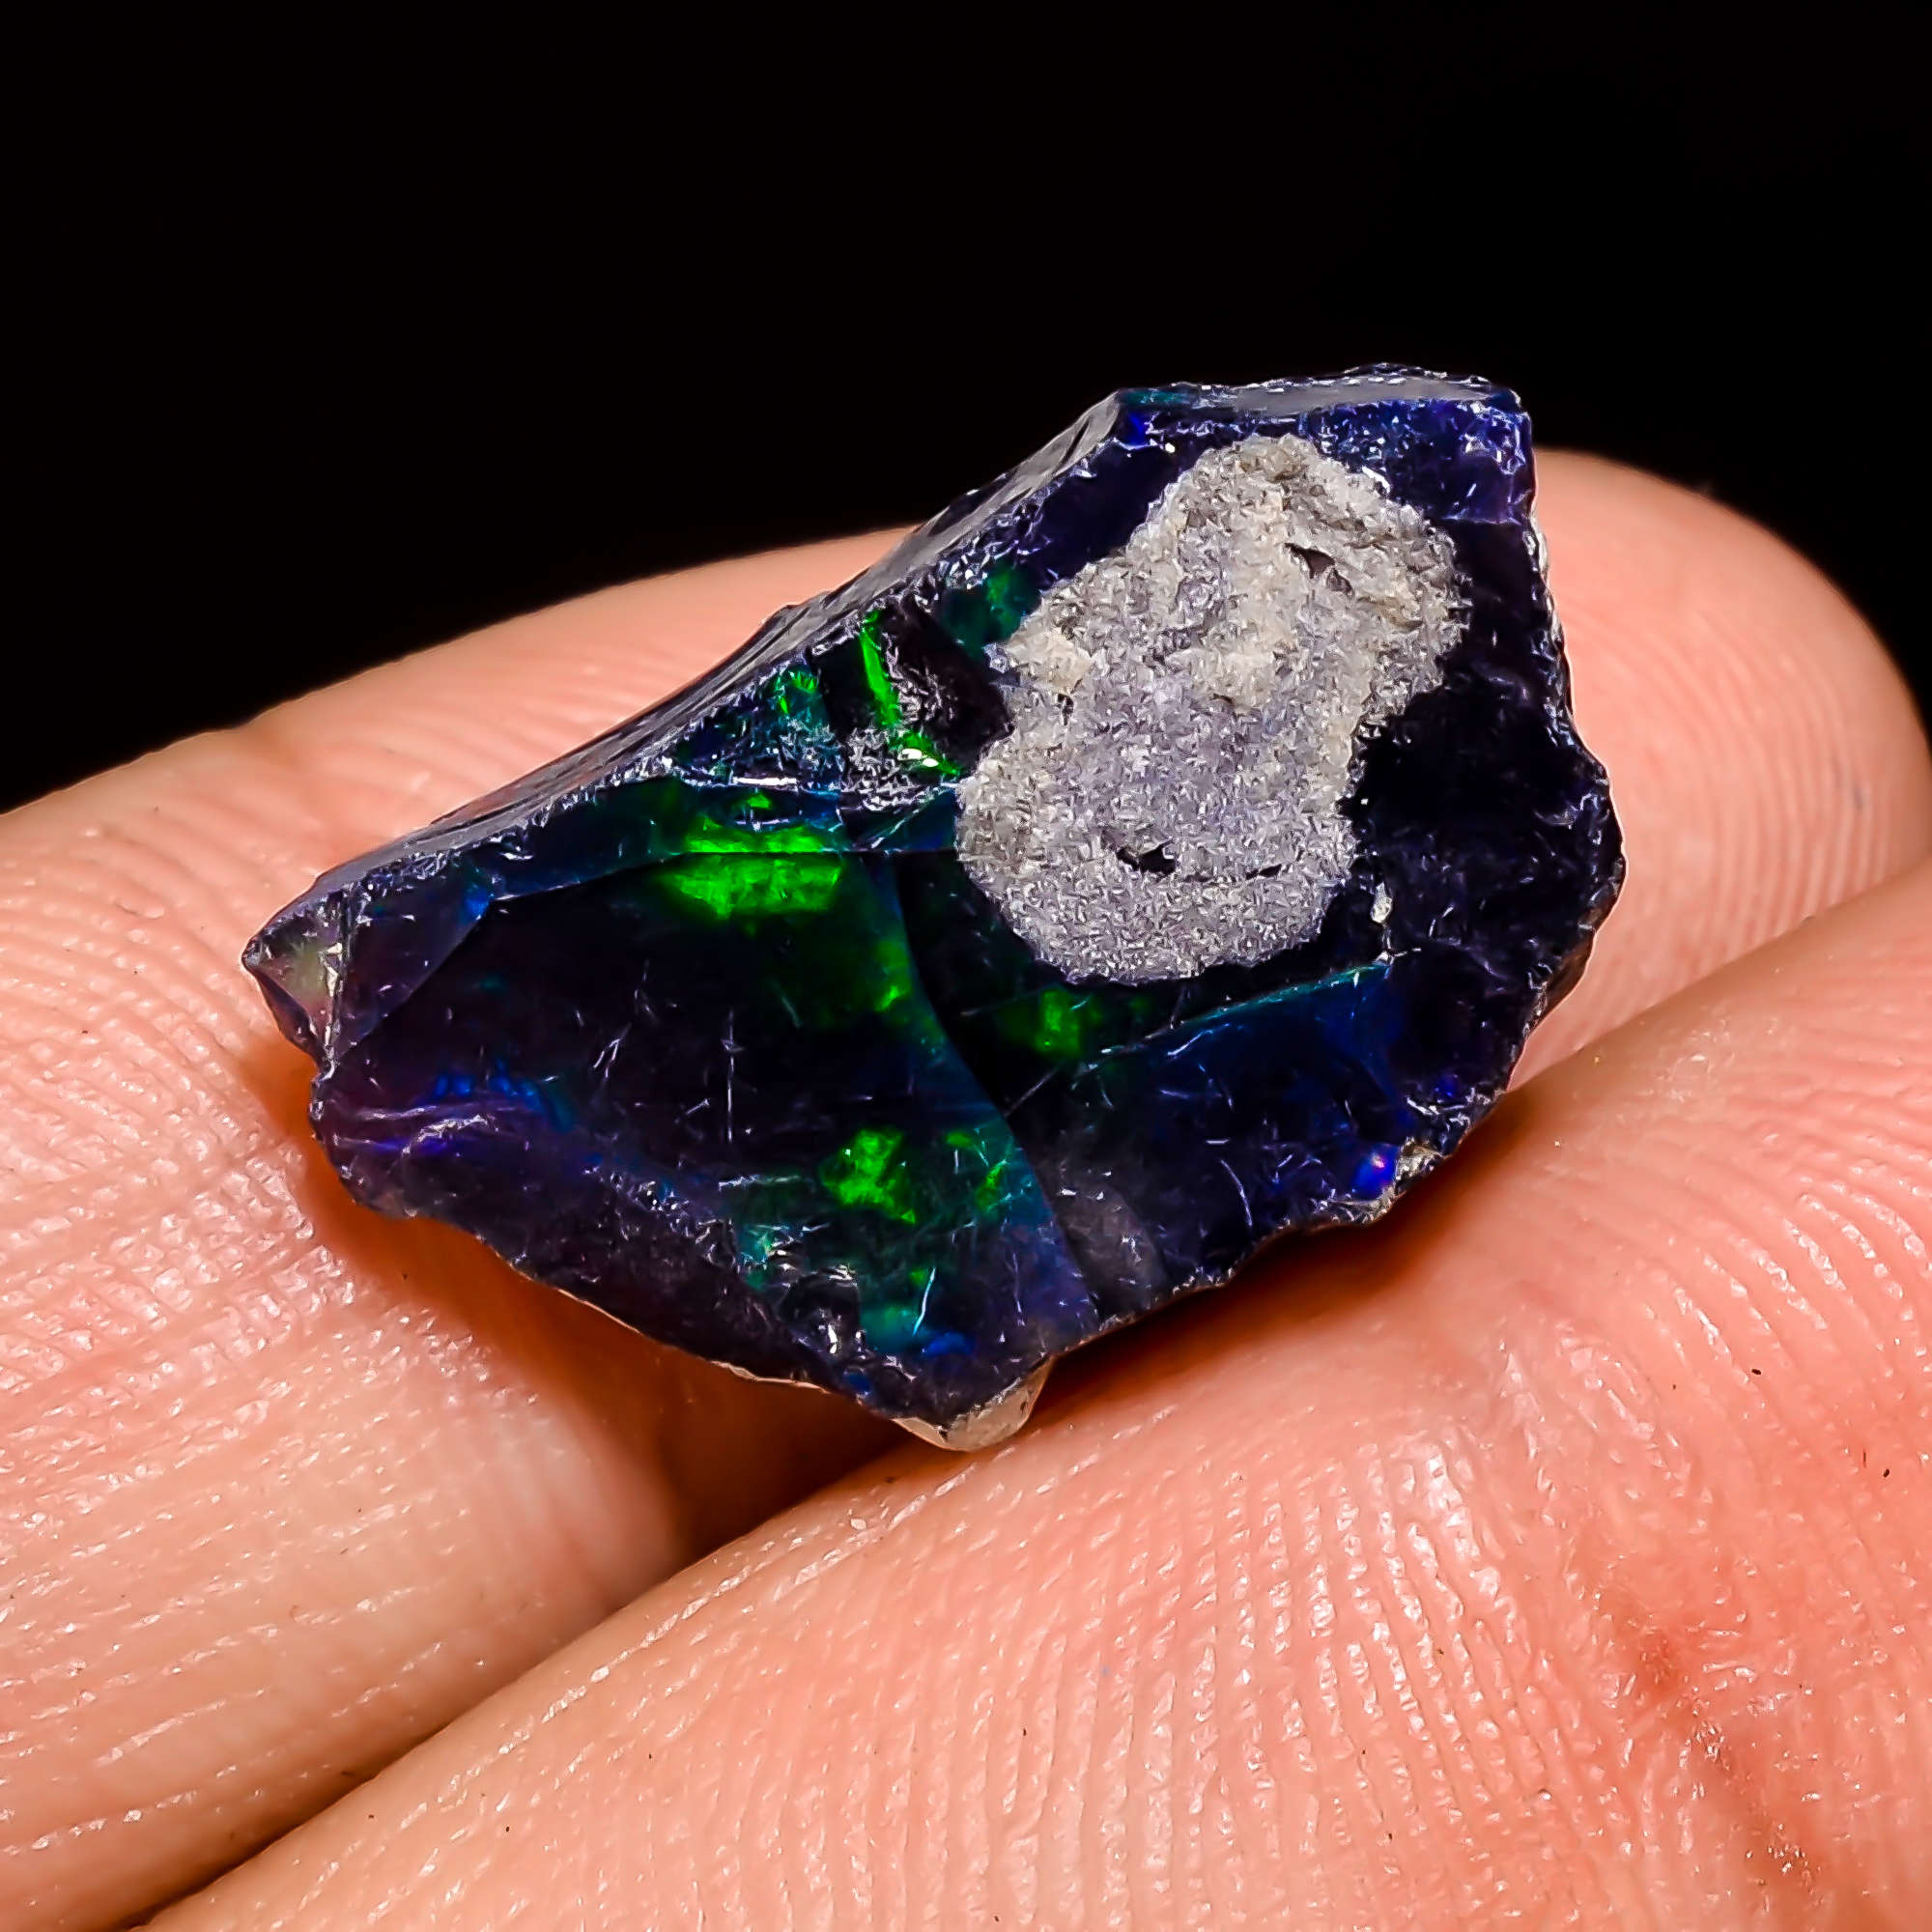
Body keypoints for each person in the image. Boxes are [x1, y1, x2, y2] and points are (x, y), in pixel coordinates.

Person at [4, 454, 1929, 1930]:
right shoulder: (781, 884)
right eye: (1155, 621)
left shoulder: (1367, 937)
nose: (1096, 658)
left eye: (1245, 651)